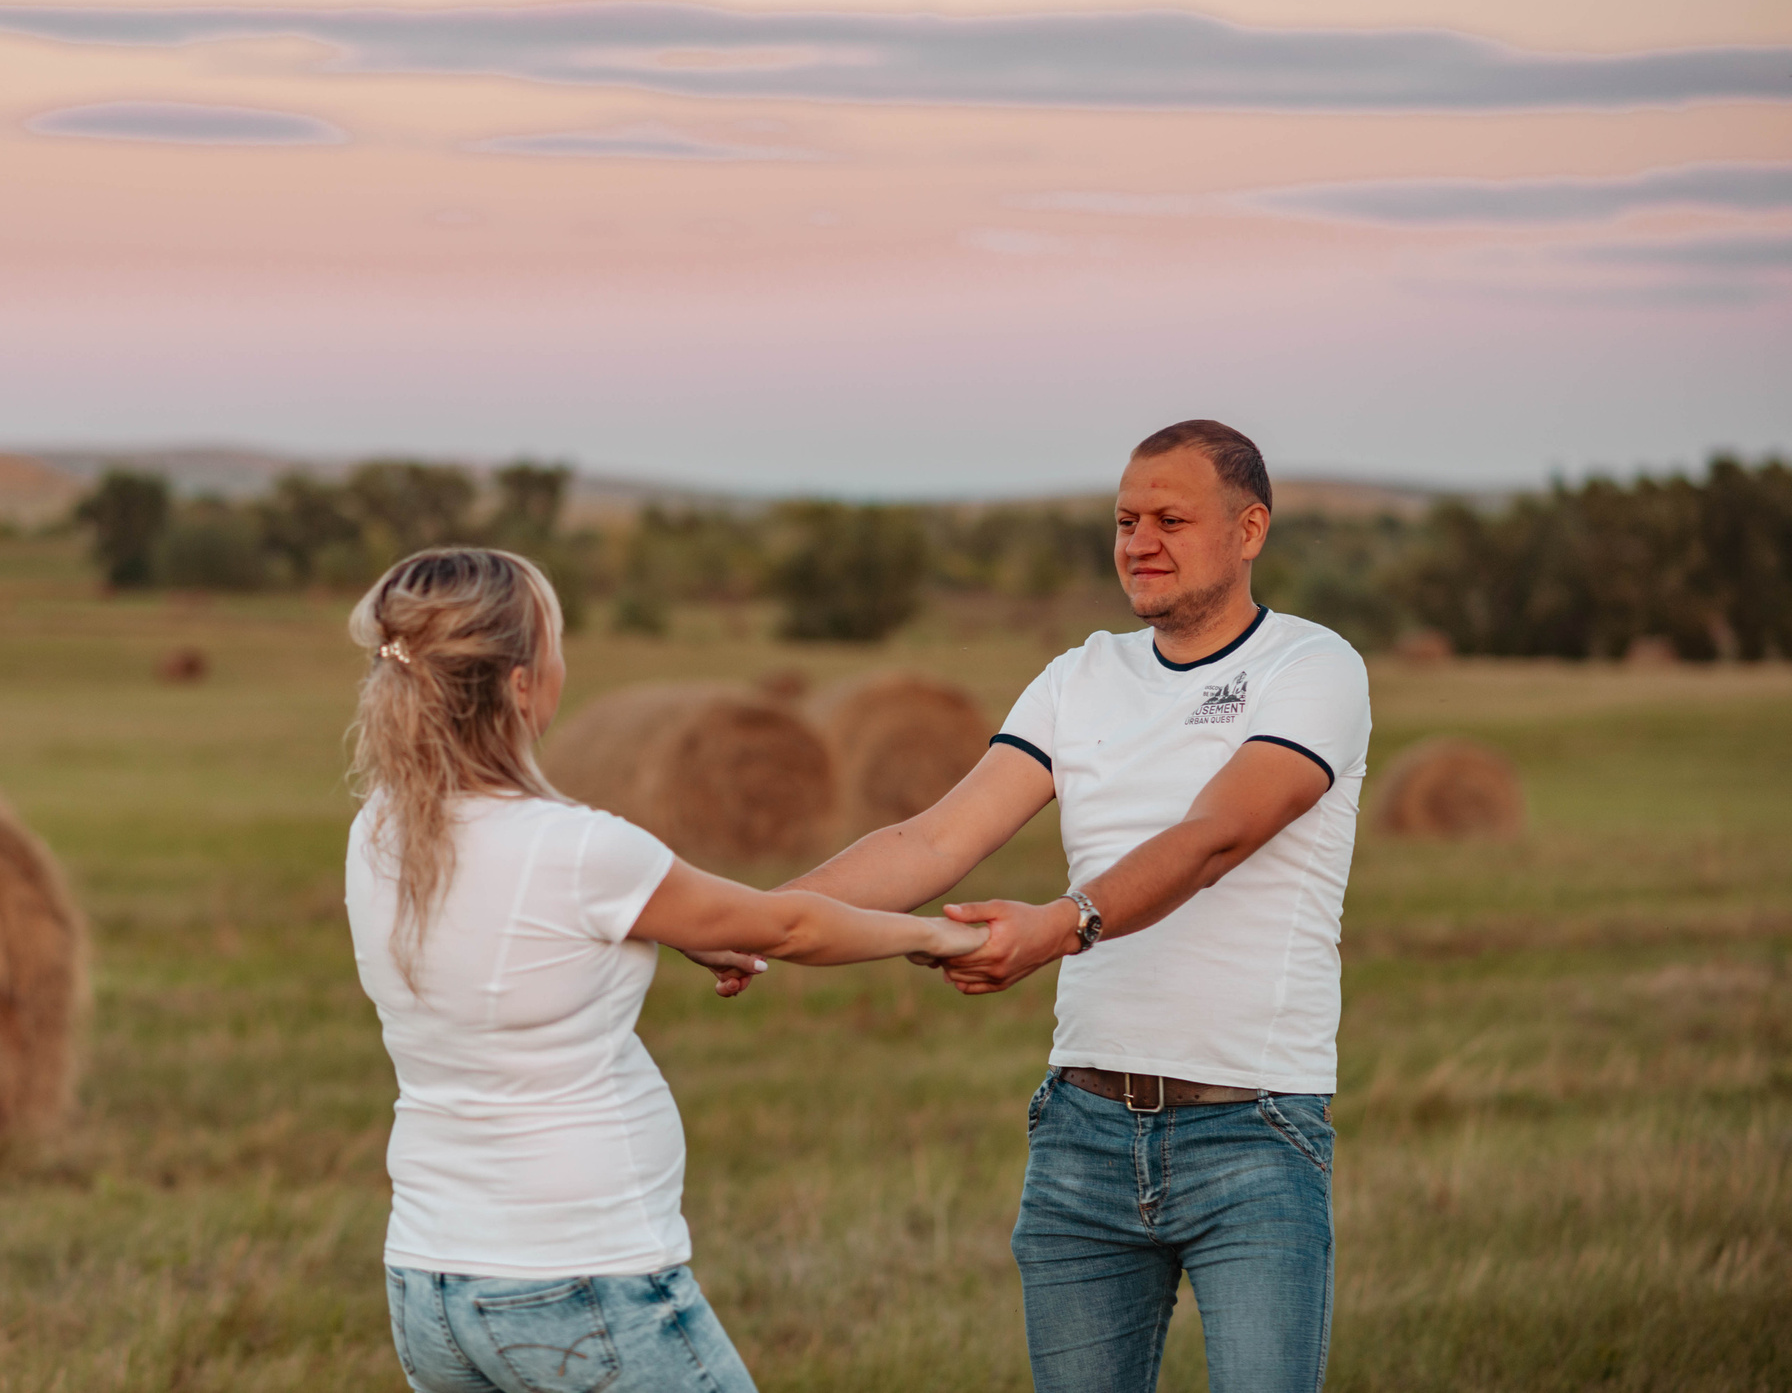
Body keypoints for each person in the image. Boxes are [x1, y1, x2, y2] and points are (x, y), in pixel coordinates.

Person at [697, 420, 1370, 1393]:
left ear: (1249, 527)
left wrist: (1062, 924)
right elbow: (931, 840)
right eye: (1124, 519)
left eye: (1170, 518)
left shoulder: (1311, 667)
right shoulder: (1079, 674)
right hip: (1080, 1137)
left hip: (1252, 1133)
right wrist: (751, 918)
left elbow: (1214, 834)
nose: (1138, 540)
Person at [346, 546, 989, 1393]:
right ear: (521, 683)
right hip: (577, 1279)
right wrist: (938, 938)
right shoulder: (576, 848)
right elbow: (789, 924)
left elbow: (523, 933)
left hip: (431, 1282)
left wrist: (667, 924)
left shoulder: (382, 830)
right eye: (558, 642)